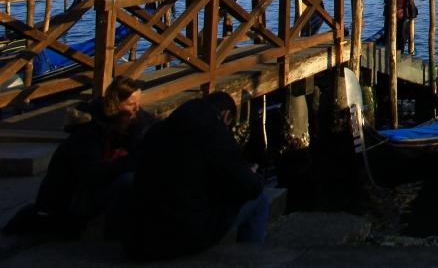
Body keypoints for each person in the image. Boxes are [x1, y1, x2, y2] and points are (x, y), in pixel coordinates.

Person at [124, 91, 270, 259]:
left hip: (141, 237)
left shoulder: (159, 129)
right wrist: (252, 175)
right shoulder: (215, 134)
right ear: (226, 115)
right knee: (260, 201)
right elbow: (249, 187)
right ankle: (249, 260)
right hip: (183, 236)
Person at [14, 77, 153, 236]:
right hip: (73, 198)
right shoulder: (88, 130)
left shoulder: (131, 120)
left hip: (94, 186)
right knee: (129, 180)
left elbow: (148, 129)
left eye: (138, 102)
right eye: (131, 104)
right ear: (115, 105)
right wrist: (129, 161)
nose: (137, 108)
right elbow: (93, 173)